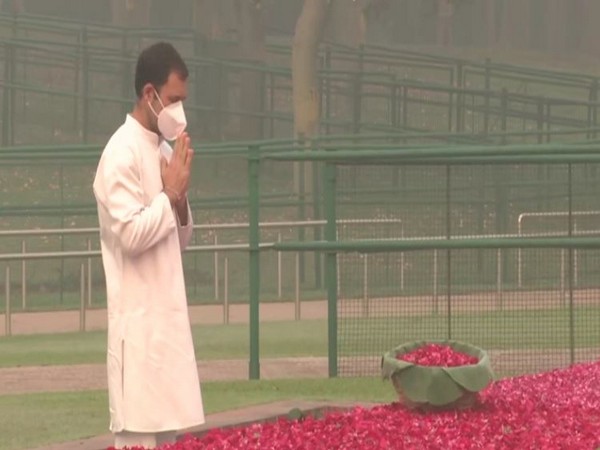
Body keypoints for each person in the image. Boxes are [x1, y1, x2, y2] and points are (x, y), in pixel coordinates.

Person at [93, 41, 204, 449]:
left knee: (169, 439)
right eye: (173, 100)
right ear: (149, 94)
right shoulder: (119, 153)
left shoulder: (161, 149)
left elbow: (181, 240)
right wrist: (169, 195)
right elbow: (132, 236)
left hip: (167, 332)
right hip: (137, 339)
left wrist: (180, 199)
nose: (179, 111)